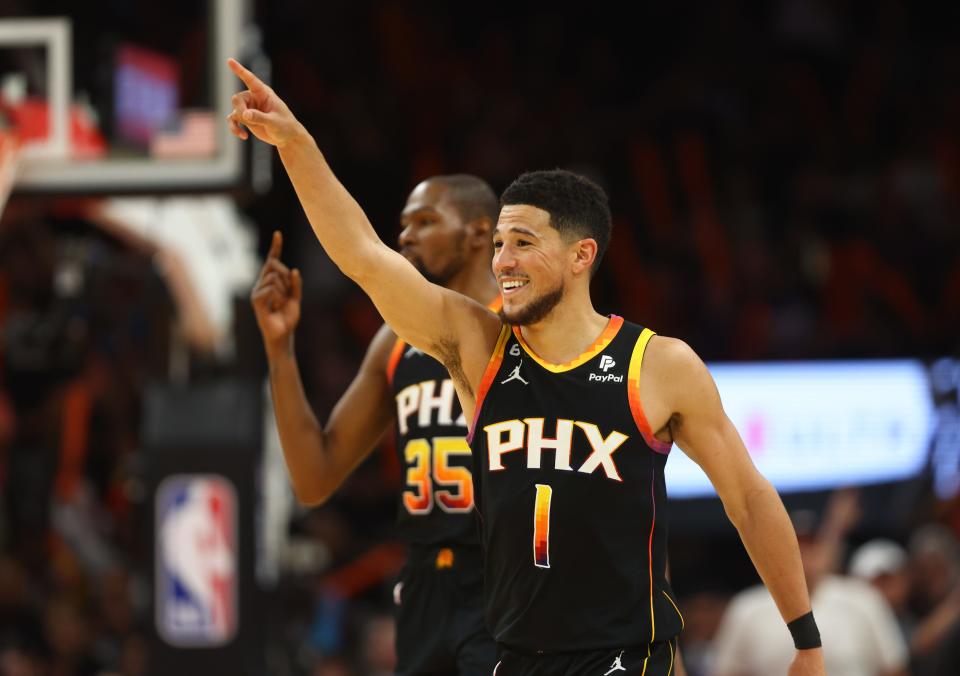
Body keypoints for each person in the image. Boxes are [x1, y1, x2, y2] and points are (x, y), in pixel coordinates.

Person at [227, 58, 825, 676]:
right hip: (516, 658)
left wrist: (805, 639)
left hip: (630, 659)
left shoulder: (658, 364)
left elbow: (749, 499)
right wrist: (296, 144)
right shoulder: (477, 344)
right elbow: (365, 258)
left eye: (523, 244)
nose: (503, 262)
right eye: (497, 245)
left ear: (580, 256)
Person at [250, 173, 501, 675]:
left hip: (503, 577)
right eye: (403, 224)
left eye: (426, 221)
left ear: (479, 233)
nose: (406, 236)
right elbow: (314, 477)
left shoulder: (516, 329)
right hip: (427, 582)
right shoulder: (394, 342)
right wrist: (281, 351)